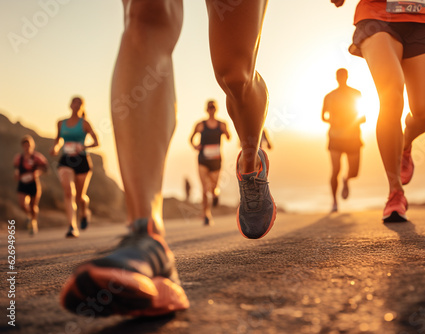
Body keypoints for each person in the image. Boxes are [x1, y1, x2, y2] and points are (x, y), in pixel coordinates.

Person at [60, 0, 276, 318]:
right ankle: (147, 237)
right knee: (146, 15)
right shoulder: (202, 125)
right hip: (203, 158)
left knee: (235, 73)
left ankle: (249, 162)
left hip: (227, 138)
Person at [333, 0, 425, 222]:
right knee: (391, 98)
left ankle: (404, 144)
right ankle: (395, 191)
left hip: (423, 17)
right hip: (377, 15)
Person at [50, 96, 99, 238]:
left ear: (82, 107)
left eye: (80, 103)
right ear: (70, 105)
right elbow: (57, 140)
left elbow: (96, 142)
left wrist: (83, 146)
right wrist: (55, 148)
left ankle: (84, 212)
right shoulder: (60, 123)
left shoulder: (85, 124)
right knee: (68, 193)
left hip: (82, 160)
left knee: (80, 196)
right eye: (75, 102)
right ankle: (72, 226)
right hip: (66, 160)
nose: (77, 105)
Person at [322, 68, 365, 212]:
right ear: (336, 78)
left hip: (353, 137)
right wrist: (334, 121)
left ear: (347, 77)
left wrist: (352, 121)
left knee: (354, 172)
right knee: (335, 170)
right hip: (335, 137)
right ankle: (334, 202)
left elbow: (363, 115)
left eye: (343, 76)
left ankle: (346, 180)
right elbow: (323, 116)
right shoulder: (329, 96)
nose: (341, 78)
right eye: (339, 76)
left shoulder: (356, 93)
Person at [190, 100, 231, 226]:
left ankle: (215, 195)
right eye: (209, 108)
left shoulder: (221, 124)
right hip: (203, 159)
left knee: (213, 188)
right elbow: (191, 139)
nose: (211, 109)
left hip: (216, 160)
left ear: (216, 109)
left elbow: (229, 137)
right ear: (206, 110)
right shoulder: (200, 125)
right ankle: (206, 215)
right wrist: (195, 146)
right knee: (204, 189)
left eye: (213, 107)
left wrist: (225, 131)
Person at [13, 135, 48, 235]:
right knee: (22, 204)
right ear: (22, 146)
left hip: (33, 183)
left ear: (32, 146)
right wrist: (16, 173)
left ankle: (33, 222)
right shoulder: (18, 158)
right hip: (22, 183)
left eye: (28, 145)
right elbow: (16, 168)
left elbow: (45, 167)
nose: (27, 147)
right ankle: (29, 216)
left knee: (33, 206)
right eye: (25, 145)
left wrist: (37, 173)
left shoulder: (37, 157)